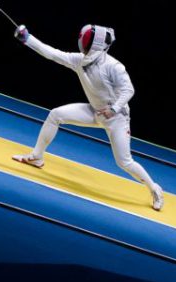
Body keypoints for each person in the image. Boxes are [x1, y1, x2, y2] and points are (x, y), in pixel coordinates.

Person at [11, 23, 165, 211]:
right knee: (55, 115)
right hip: (94, 111)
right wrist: (27, 38)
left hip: (117, 119)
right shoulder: (79, 61)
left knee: (124, 162)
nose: (82, 44)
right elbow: (51, 53)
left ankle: (155, 189)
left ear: (95, 44)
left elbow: (129, 90)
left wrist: (114, 109)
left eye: (85, 41)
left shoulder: (113, 66)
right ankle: (36, 157)